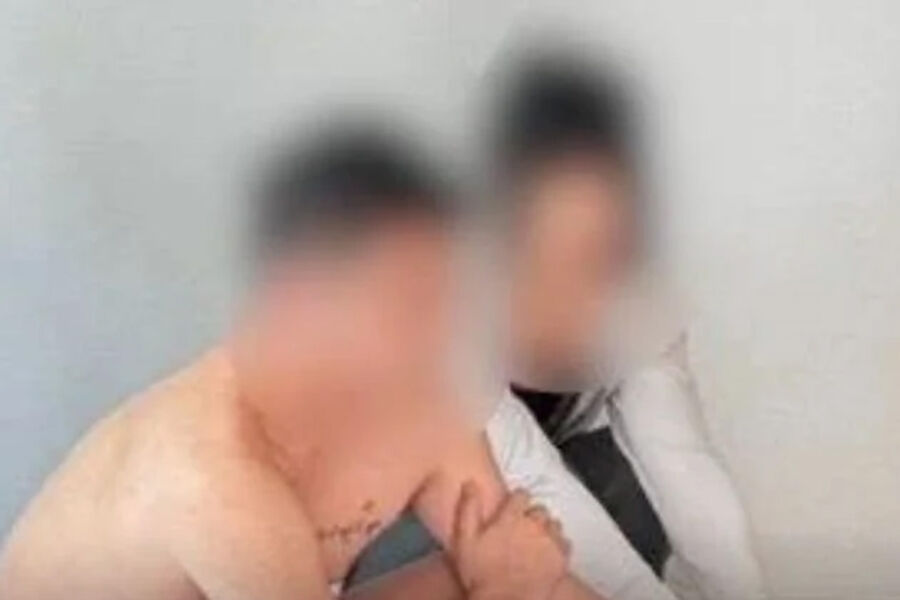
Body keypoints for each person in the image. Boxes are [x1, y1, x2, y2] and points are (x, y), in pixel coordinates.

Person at [0, 123, 599, 600]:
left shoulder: (418, 400)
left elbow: (534, 571)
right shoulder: (210, 473)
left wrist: (510, 582)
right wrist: (506, 588)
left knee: (485, 564)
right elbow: (514, 583)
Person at [348, 51, 766, 600]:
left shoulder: (634, 297)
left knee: (622, 490)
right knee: (484, 543)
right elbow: (527, 486)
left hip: (515, 493)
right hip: (400, 517)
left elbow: (683, 463)